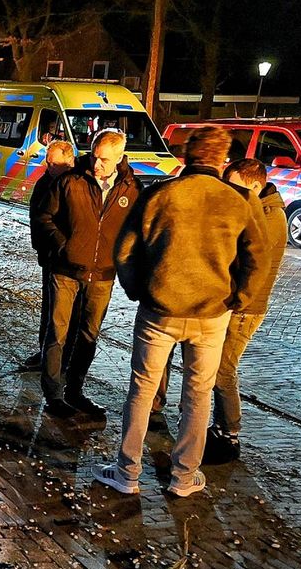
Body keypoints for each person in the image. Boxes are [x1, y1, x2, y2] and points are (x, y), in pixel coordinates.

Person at [98, 126, 267, 498]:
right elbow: (259, 255)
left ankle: (127, 472)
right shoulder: (239, 200)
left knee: (142, 390)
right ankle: (184, 475)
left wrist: (139, 289)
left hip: (160, 311)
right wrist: (240, 297)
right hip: (212, 312)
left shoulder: (160, 194)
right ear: (223, 161)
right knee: (198, 393)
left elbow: (124, 250)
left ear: (186, 156)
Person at [36, 129, 141, 418]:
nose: (97, 165)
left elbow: (135, 230)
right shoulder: (71, 181)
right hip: (65, 271)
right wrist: (63, 246)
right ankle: (54, 395)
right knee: (57, 332)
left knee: (88, 336)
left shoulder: (131, 188)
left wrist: (122, 260)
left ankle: (75, 390)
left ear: (120, 157)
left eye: (105, 160)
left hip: (103, 275)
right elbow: (45, 217)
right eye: (95, 157)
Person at [204, 158, 287, 463]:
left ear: (255, 185)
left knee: (223, 370)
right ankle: (219, 427)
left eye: (234, 185)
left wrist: (239, 297)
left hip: (246, 307)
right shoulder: (255, 209)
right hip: (239, 302)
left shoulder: (269, 216)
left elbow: (248, 260)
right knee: (217, 368)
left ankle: (230, 433)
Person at [23, 140, 76, 370]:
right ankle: (48, 353)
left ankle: (63, 358)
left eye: (53, 162)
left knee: (66, 313)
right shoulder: (46, 182)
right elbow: (38, 219)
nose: (48, 166)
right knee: (50, 309)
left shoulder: (75, 183)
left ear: (69, 160)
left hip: (71, 257)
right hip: (51, 256)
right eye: (48, 161)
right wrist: (44, 249)